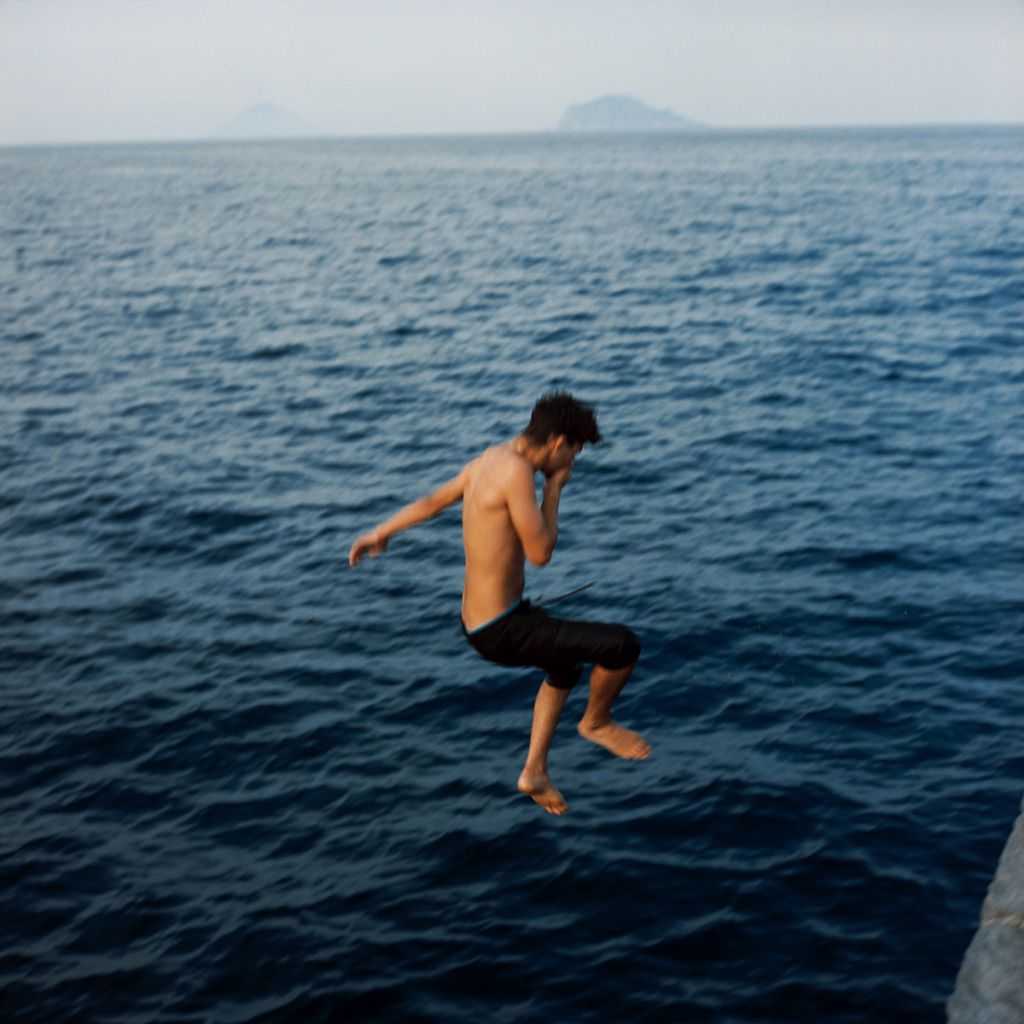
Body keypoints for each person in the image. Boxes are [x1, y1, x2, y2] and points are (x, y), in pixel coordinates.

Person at [349, 391, 649, 815]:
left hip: (482, 620)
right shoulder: (517, 473)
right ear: (559, 443)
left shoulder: (489, 459)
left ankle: (534, 771)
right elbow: (541, 553)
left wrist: (382, 532)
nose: (571, 465)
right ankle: (596, 722)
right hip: (502, 630)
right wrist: (554, 489)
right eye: (574, 455)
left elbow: (434, 502)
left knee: (565, 664)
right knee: (622, 646)